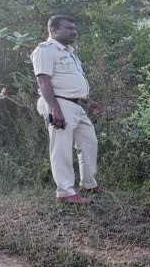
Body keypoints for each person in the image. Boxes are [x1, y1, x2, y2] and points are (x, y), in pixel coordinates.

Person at [30, 15, 103, 204]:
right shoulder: (45, 50)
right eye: (69, 28)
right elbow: (43, 80)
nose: (74, 31)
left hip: (76, 105)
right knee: (60, 148)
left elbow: (70, 82)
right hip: (59, 105)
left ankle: (89, 184)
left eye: (74, 28)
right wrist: (55, 110)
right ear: (53, 31)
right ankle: (66, 193)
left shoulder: (69, 52)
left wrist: (89, 102)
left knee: (89, 142)